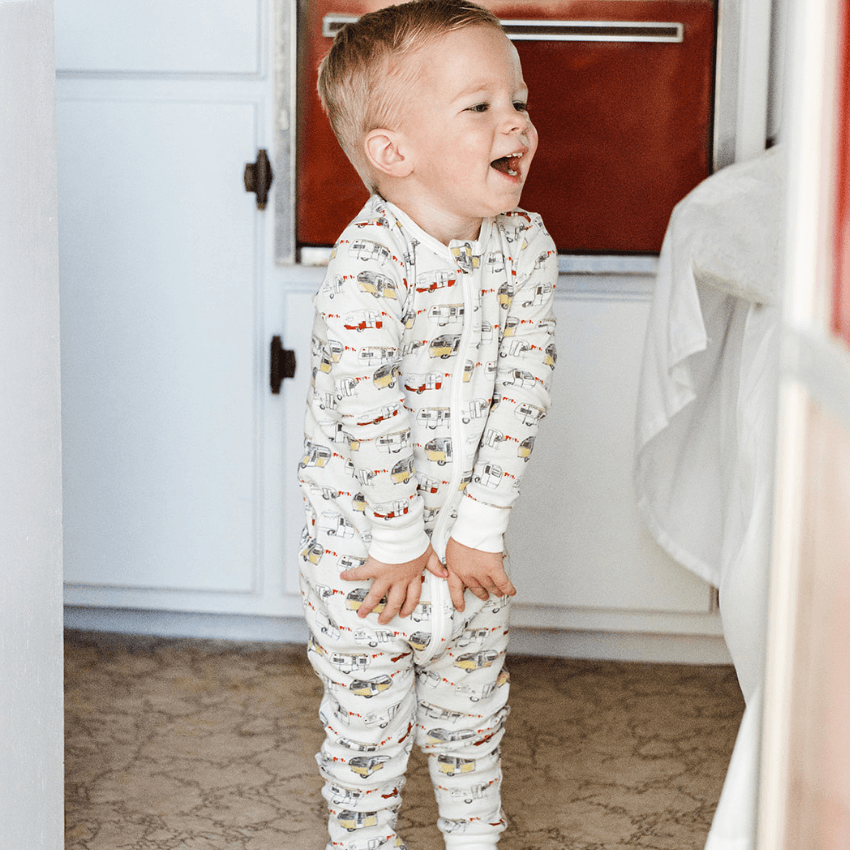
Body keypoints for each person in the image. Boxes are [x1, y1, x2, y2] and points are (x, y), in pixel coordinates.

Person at [298, 2, 557, 848]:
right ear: (393, 153)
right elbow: (368, 415)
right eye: (479, 106)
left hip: (468, 550)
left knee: (471, 718)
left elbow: (523, 385)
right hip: (368, 558)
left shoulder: (526, 248)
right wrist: (400, 541)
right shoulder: (367, 269)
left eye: (518, 101)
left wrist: (480, 528)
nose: (515, 122)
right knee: (368, 737)